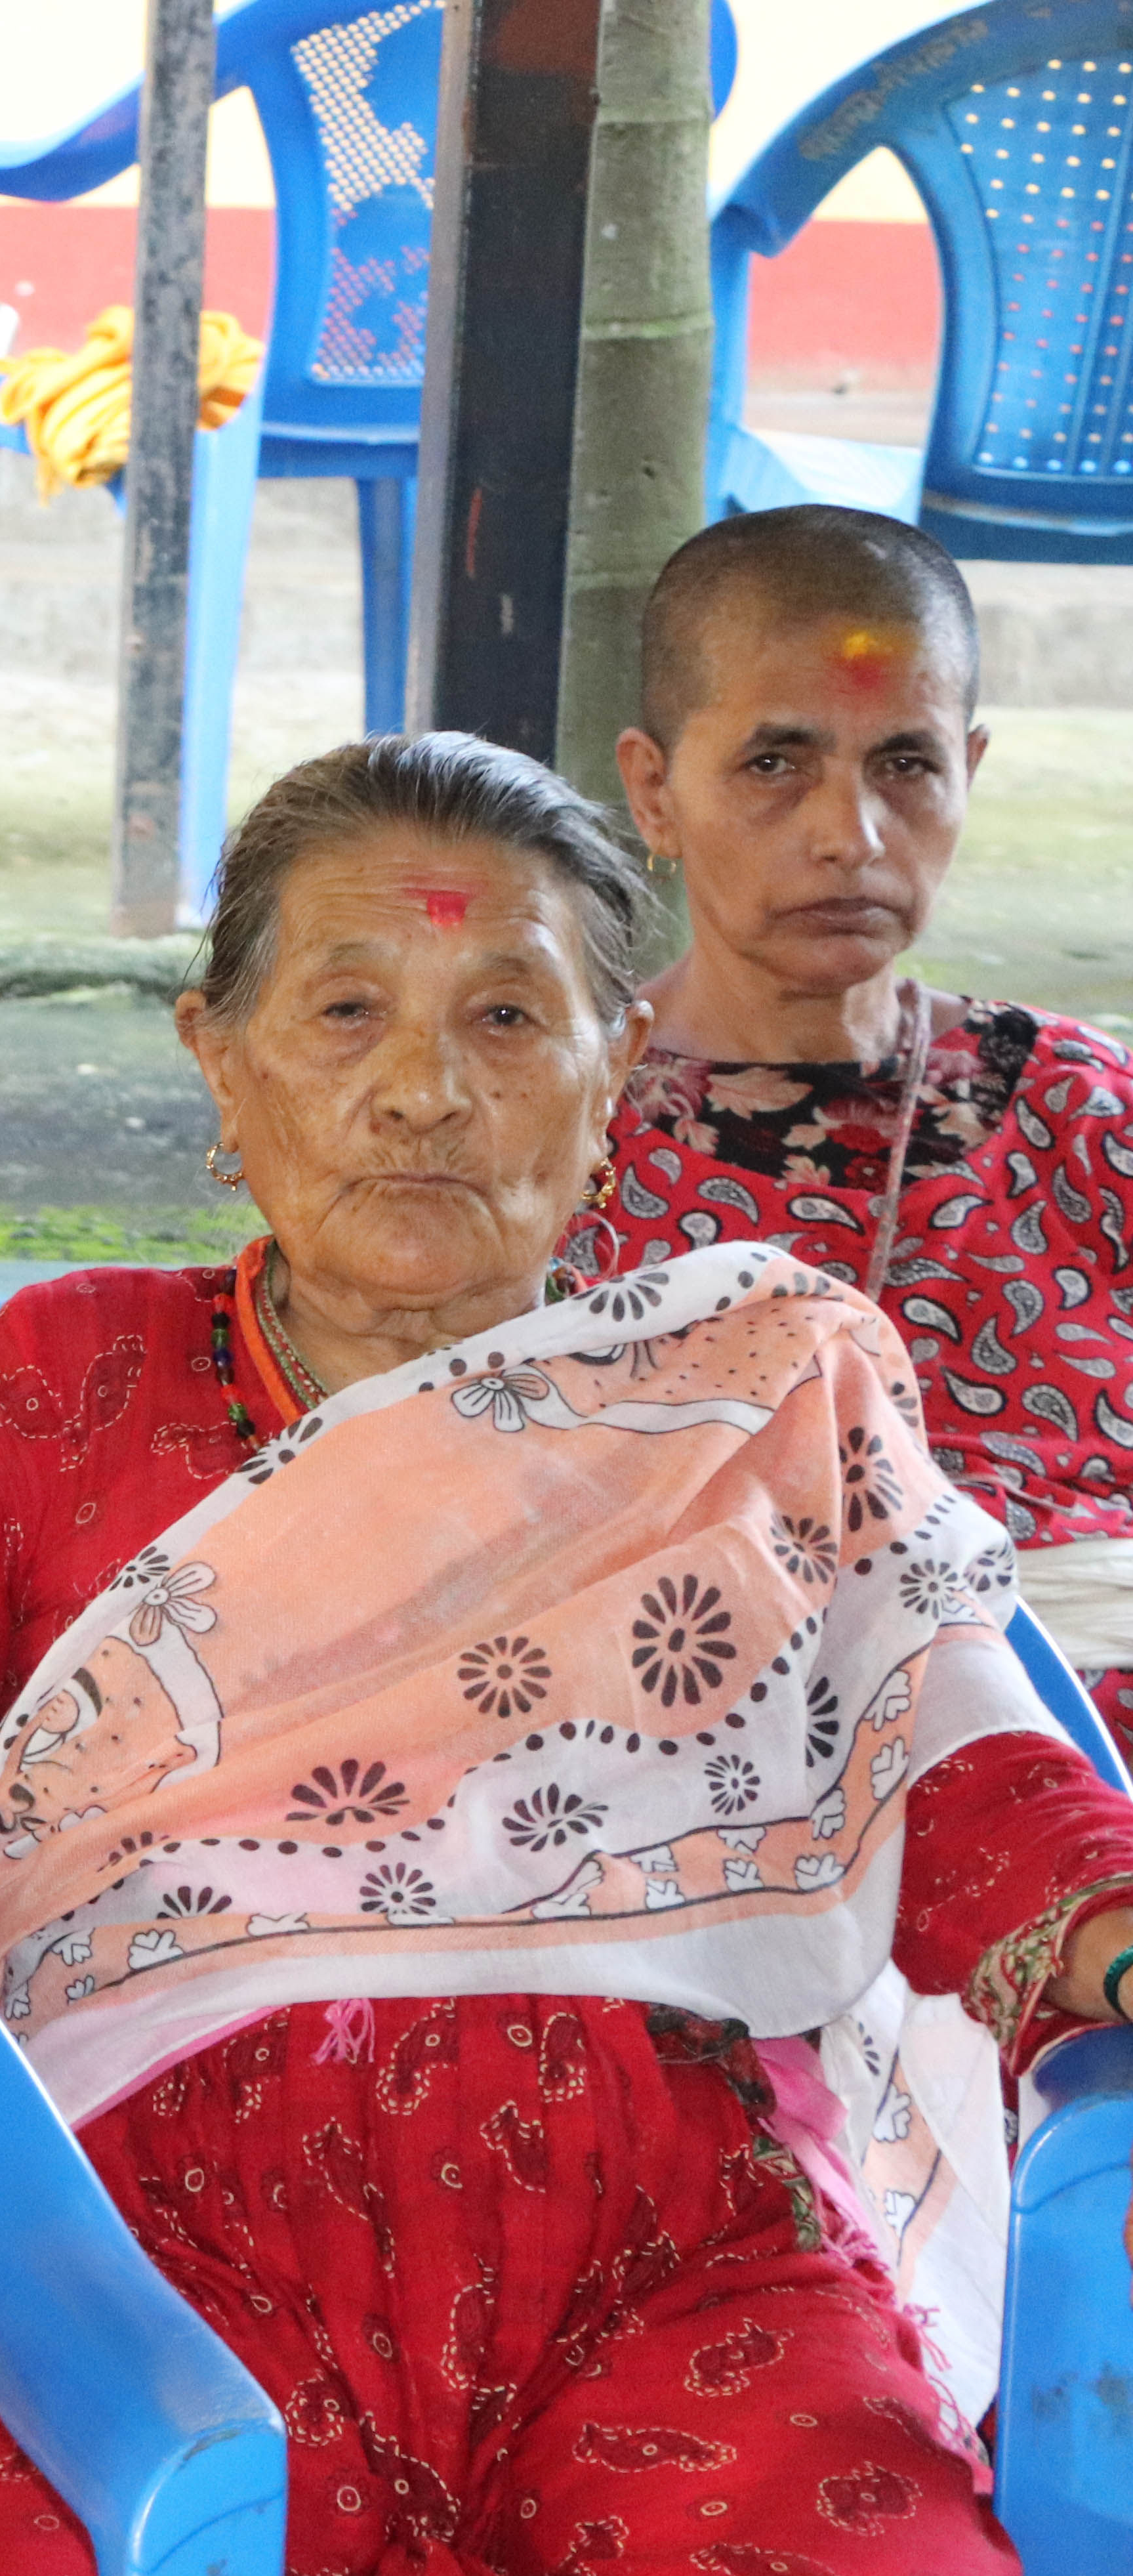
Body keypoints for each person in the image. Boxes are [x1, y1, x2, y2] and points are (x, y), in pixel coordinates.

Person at [0, 732, 1133, 2576]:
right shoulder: (70, 1393)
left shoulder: (737, 1414)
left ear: (623, 1074)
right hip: (140, 2254)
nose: (424, 1091)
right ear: (223, 1062)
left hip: (676, 2248)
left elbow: (963, 1778)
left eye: (509, 1019)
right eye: (347, 1009)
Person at [597, 503, 1133, 1756]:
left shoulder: (1082, 1109)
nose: (851, 835)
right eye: (776, 763)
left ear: (970, 772)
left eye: (905, 763)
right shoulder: (544, 1134)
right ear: (654, 790)